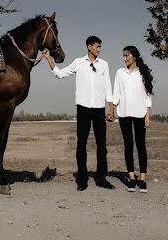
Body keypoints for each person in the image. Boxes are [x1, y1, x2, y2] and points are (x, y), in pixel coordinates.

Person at [42, 35, 115, 190]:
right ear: (89, 46)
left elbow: (108, 87)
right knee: (81, 144)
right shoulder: (78, 63)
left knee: (102, 145)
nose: (99, 49)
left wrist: (111, 108)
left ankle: (101, 178)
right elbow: (60, 74)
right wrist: (49, 58)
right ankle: (82, 180)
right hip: (83, 109)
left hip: (99, 109)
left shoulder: (104, 65)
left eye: (100, 47)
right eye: (97, 46)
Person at [108, 45, 154, 193]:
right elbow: (116, 93)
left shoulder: (142, 73)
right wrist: (112, 109)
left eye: (127, 55)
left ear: (134, 56)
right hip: (124, 114)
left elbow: (147, 95)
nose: (124, 58)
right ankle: (131, 178)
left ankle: (142, 179)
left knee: (141, 145)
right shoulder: (120, 73)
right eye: (123, 56)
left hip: (140, 113)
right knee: (128, 145)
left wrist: (148, 114)